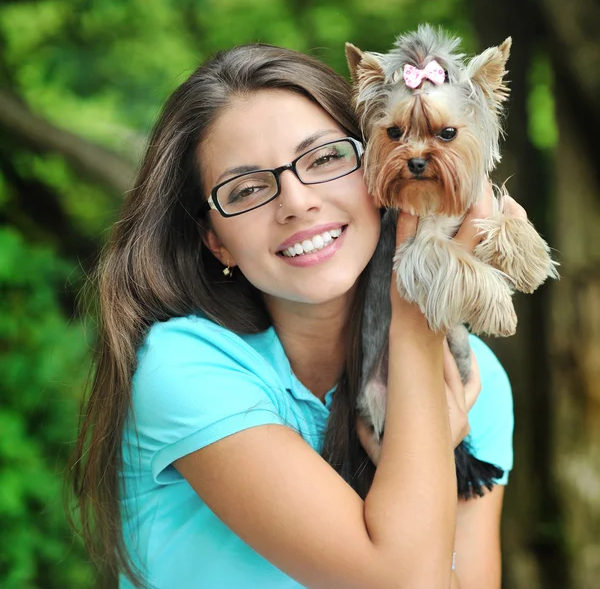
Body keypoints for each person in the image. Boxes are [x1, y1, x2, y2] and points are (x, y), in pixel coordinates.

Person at [70, 43, 518, 589]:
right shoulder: (186, 368)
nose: (297, 201)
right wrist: (418, 315)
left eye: (326, 157)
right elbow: (403, 579)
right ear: (216, 242)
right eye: (248, 188)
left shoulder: (477, 383)